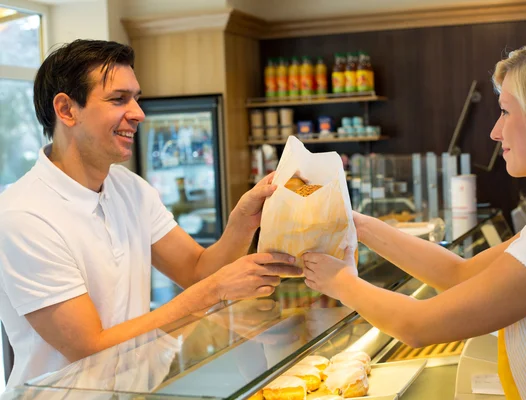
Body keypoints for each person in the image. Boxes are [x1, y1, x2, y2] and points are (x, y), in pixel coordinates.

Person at [303, 32, 526, 399]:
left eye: (505, 112)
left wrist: (340, 282)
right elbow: (457, 274)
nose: (494, 131)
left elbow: (417, 325)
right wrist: (357, 224)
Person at [0, 39, 301, 389]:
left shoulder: (130, 188)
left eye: (136, 98)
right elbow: (90, 347)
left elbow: (197, 270)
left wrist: (242, 222)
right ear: (67, 110)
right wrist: (212, 293)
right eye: (118, 99)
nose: (139, 113)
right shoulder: (24, 216)